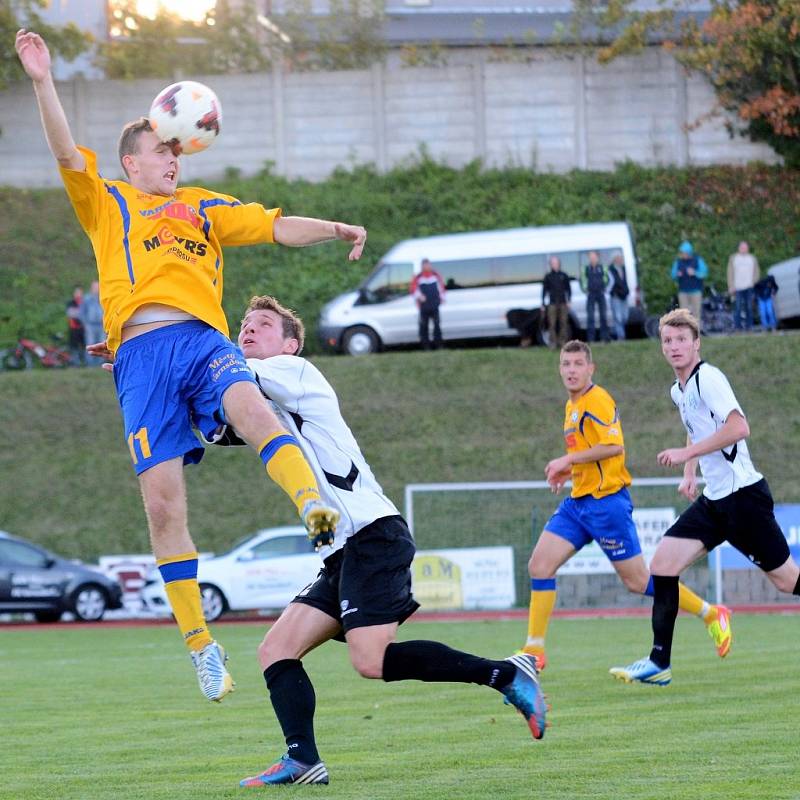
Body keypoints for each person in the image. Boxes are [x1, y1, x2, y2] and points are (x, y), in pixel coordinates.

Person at [16, 29, 365, 703]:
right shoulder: (107, 202)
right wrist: (41, 80)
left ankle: (313, 507)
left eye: (177, 149)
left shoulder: (203, 207)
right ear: (130, 165)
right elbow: (63, 150)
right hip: (141, 361)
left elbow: (275, 224)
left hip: (204, 342)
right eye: (160, 149)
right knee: (162, 505)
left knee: (254, 409)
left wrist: (336, 229)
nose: (173, 158)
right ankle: (202, 646)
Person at [215, 295, 546, 786]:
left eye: (262, 325)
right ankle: (303, 760)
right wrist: (143, 362)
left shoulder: (296, 373)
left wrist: (187, 348)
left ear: (291, 344)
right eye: (244, 325)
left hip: (372, 534)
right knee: (276, 648)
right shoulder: (262, 403)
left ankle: (505, 674)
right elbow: (216, 424)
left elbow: (224, 374)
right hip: (339, 550)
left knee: (370, 661)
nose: (247, 331)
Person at [610, 308, 800, 686]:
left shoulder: (708, 378)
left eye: (683, 339)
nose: (675, 346)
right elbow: (696, 427)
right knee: (663, 565)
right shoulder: (678, 389)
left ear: (696, 343)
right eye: (668, 340)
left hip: (743, 498)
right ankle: (658, 662)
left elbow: (738, 426)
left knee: (787, 581)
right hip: (715, 500)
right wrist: (689, 471)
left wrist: (686, 455)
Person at [521, 340, 728, 671]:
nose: (571, 370)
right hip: (578, 503)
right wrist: (568, 470)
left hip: (606, 504)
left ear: (591, 369)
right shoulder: (571, 405)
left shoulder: (597, 400)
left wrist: (567, 459)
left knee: (638, 581)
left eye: (577, 364)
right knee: (540, 566)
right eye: (565, 364)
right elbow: (590, 453)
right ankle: (534, 649)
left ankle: (710, 612)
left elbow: (614, 447)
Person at [409, 258, 445, 350]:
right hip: (423, 306)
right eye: (425, 265)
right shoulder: (418, 277)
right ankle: (426, 346)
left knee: (437, 326)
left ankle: (438, 345)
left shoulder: (436, 275)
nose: (427, 267)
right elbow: (413, 289)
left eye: (428, 265)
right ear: (422, 266)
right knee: (424, 327)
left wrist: (442, 298)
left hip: (434, 304)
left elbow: (441, 287)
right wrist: (419, 296)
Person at [670, 241, 708, 322]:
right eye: (682, 252)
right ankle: (687, 333)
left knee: (696, 313)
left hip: (696, 291)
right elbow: (672, 274)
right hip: (683, 291)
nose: (682, 254)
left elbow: (704, 273)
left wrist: (695, 273)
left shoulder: (698, 260)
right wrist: (677, 274)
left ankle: (696, 333)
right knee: (684, 314)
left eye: (684, 252)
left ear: (689, 252)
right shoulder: (678, 262)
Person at [726, 240, 759, 331]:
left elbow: (756, 271)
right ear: (739, 248)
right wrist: (731, 285)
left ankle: (749, 327)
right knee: (738, 308)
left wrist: (754, 282)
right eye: (742, 247)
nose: (743, 249)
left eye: (745, 247)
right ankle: (737, 328)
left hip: (749, 287)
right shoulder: (733, 258)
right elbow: (730, 272)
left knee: (749, 307)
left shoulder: (752, 258)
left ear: (748, 248)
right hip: (737, 287)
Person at [541, 255, 571, 348]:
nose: (555, 265)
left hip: (563, 303)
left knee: (564, 323)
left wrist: (569, 300)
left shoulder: (564, 275)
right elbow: (544, 291)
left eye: (556, 263)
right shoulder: (548, 276)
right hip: (552, 303)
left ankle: (562, 342)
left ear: (559, 264)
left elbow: (568, 289)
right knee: (552, 324)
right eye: (553, 263)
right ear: (551, 265)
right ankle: (553, 343)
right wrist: (542, 303)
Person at [582, 251, 609, 343]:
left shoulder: (602, 267)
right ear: (589, 258)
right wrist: (585, 289)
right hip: (591, 294)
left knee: (603, 316)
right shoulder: (585, 268)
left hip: (600, 294)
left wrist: (604, 286)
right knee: (590, 317)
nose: (593, 259)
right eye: (591, 257)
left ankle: (605, 337)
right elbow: (582, 280)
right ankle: (591, 339)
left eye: (594, 257)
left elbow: (607, 279)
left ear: (597, 258)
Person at [79, 280, 105, 366]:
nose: (96, 289)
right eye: (95, 287)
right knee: (90, 343)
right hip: (90, 325)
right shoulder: (87, 299)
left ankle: (100, 363)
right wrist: (85, 324)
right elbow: (82, 312)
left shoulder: (103, 298)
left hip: (101, 325)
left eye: (98, 287)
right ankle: (90, 364)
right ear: (91, 288)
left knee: (101, 343)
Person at [606, 252, 629, 341]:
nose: (620, 259)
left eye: (621, 258)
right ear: (615, 259)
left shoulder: (623, 268)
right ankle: (621, 336)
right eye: (619, 258)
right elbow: (610, 283)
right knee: (618, 317)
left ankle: (614, 331)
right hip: (615, 296)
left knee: (624, 317)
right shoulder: (610, 269)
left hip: (624, 295)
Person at [66, 286, 85, 366]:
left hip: (83, 328)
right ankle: (75, 363)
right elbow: (71, 314)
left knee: (84, 346)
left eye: (80, 293)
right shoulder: (71, 303)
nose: (78, 295)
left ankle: (85, 362)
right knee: (74, 347)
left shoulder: (84, 302)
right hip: (74, 328)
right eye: (77, 293)